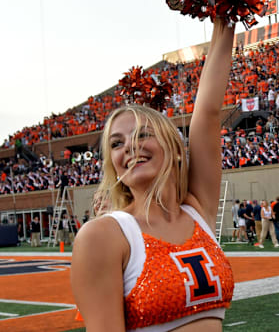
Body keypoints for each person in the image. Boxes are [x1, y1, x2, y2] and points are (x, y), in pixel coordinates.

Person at [71, 19, 235, 331]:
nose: (130, 146)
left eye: (143, 135)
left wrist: (225, 15)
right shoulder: (104, 236)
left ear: (174, 148)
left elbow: (208, 112)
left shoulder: (197, 209)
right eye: (116, 143)